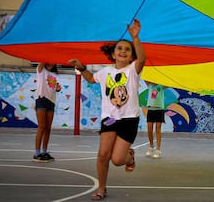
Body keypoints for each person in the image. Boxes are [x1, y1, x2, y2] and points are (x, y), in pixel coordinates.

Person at [68, 19, 145, 201]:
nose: (123, 51)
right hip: (109, 118)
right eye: (119, 48)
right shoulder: (105, 72)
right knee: (103, 155)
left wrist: (135, 38)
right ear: (113, 53)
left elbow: (142, 59)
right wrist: (81, 67)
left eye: (127, 49)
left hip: (128, 120)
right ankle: (102, 188)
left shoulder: (133, 70)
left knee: (117, 160)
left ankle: (129, 157)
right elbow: (91, 79)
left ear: (131, 55)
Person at [33, 63, 61, 162]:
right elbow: (42, 60)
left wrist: (58, 89)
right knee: (42, 127)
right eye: (48, 61)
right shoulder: (41, 70)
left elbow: (54, 87)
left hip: (51, 102)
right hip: (41, 100)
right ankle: (36, 153)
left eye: (52, 61)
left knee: (48, 128)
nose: (50, 63)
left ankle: (44, 151)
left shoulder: (55, 74)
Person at [145, 82, 165, 159]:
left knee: (158, 129)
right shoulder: (149, 85)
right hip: (150, 109)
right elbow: (144, 75)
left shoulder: (162, 85)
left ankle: (158, 149)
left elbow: (170, 83)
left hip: (159, 109)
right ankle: (151, 146)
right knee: (149, 129)